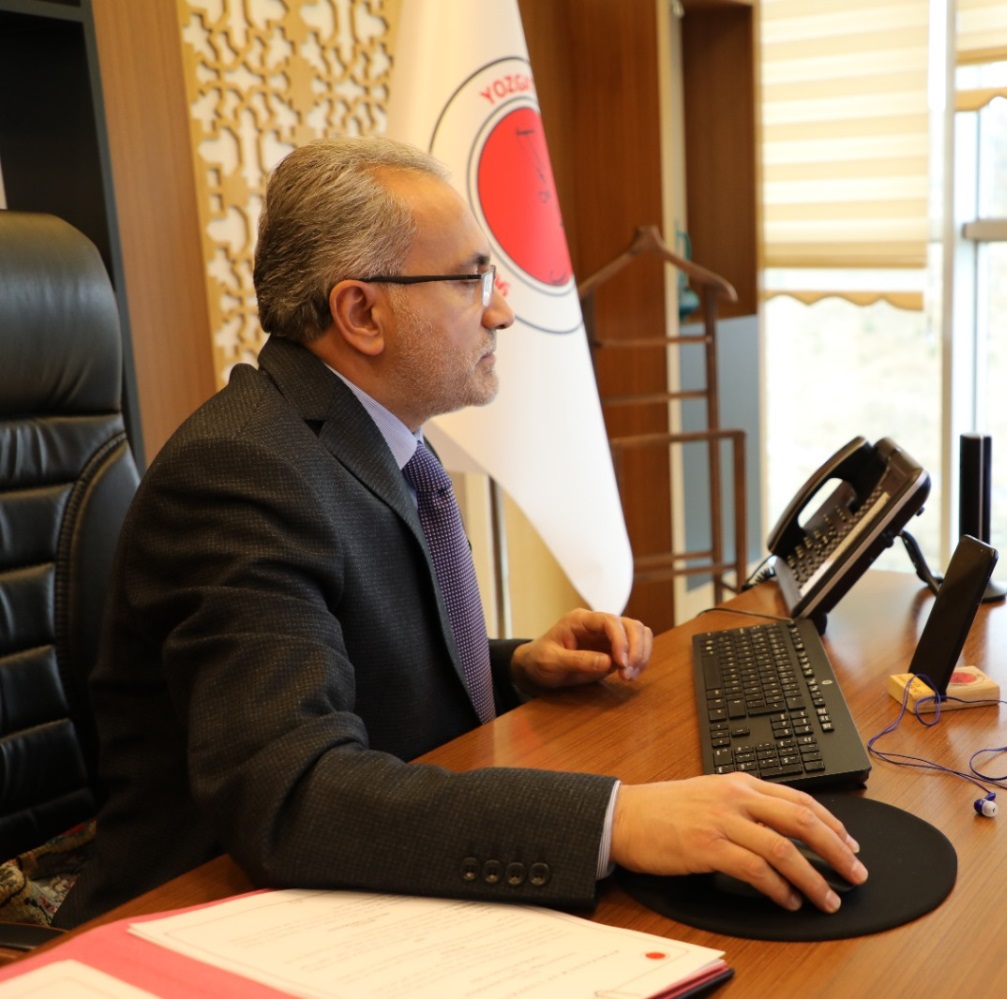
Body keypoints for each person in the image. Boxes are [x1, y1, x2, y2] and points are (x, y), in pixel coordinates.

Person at [56, 137, 864, 927]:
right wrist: (619, 822)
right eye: (472, 278)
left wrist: (514, 665)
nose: (503, 310)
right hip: (200, 915)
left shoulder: (371, 430)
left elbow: (345, 653)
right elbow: (293, 795)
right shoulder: (240, 473)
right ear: (362, 312)